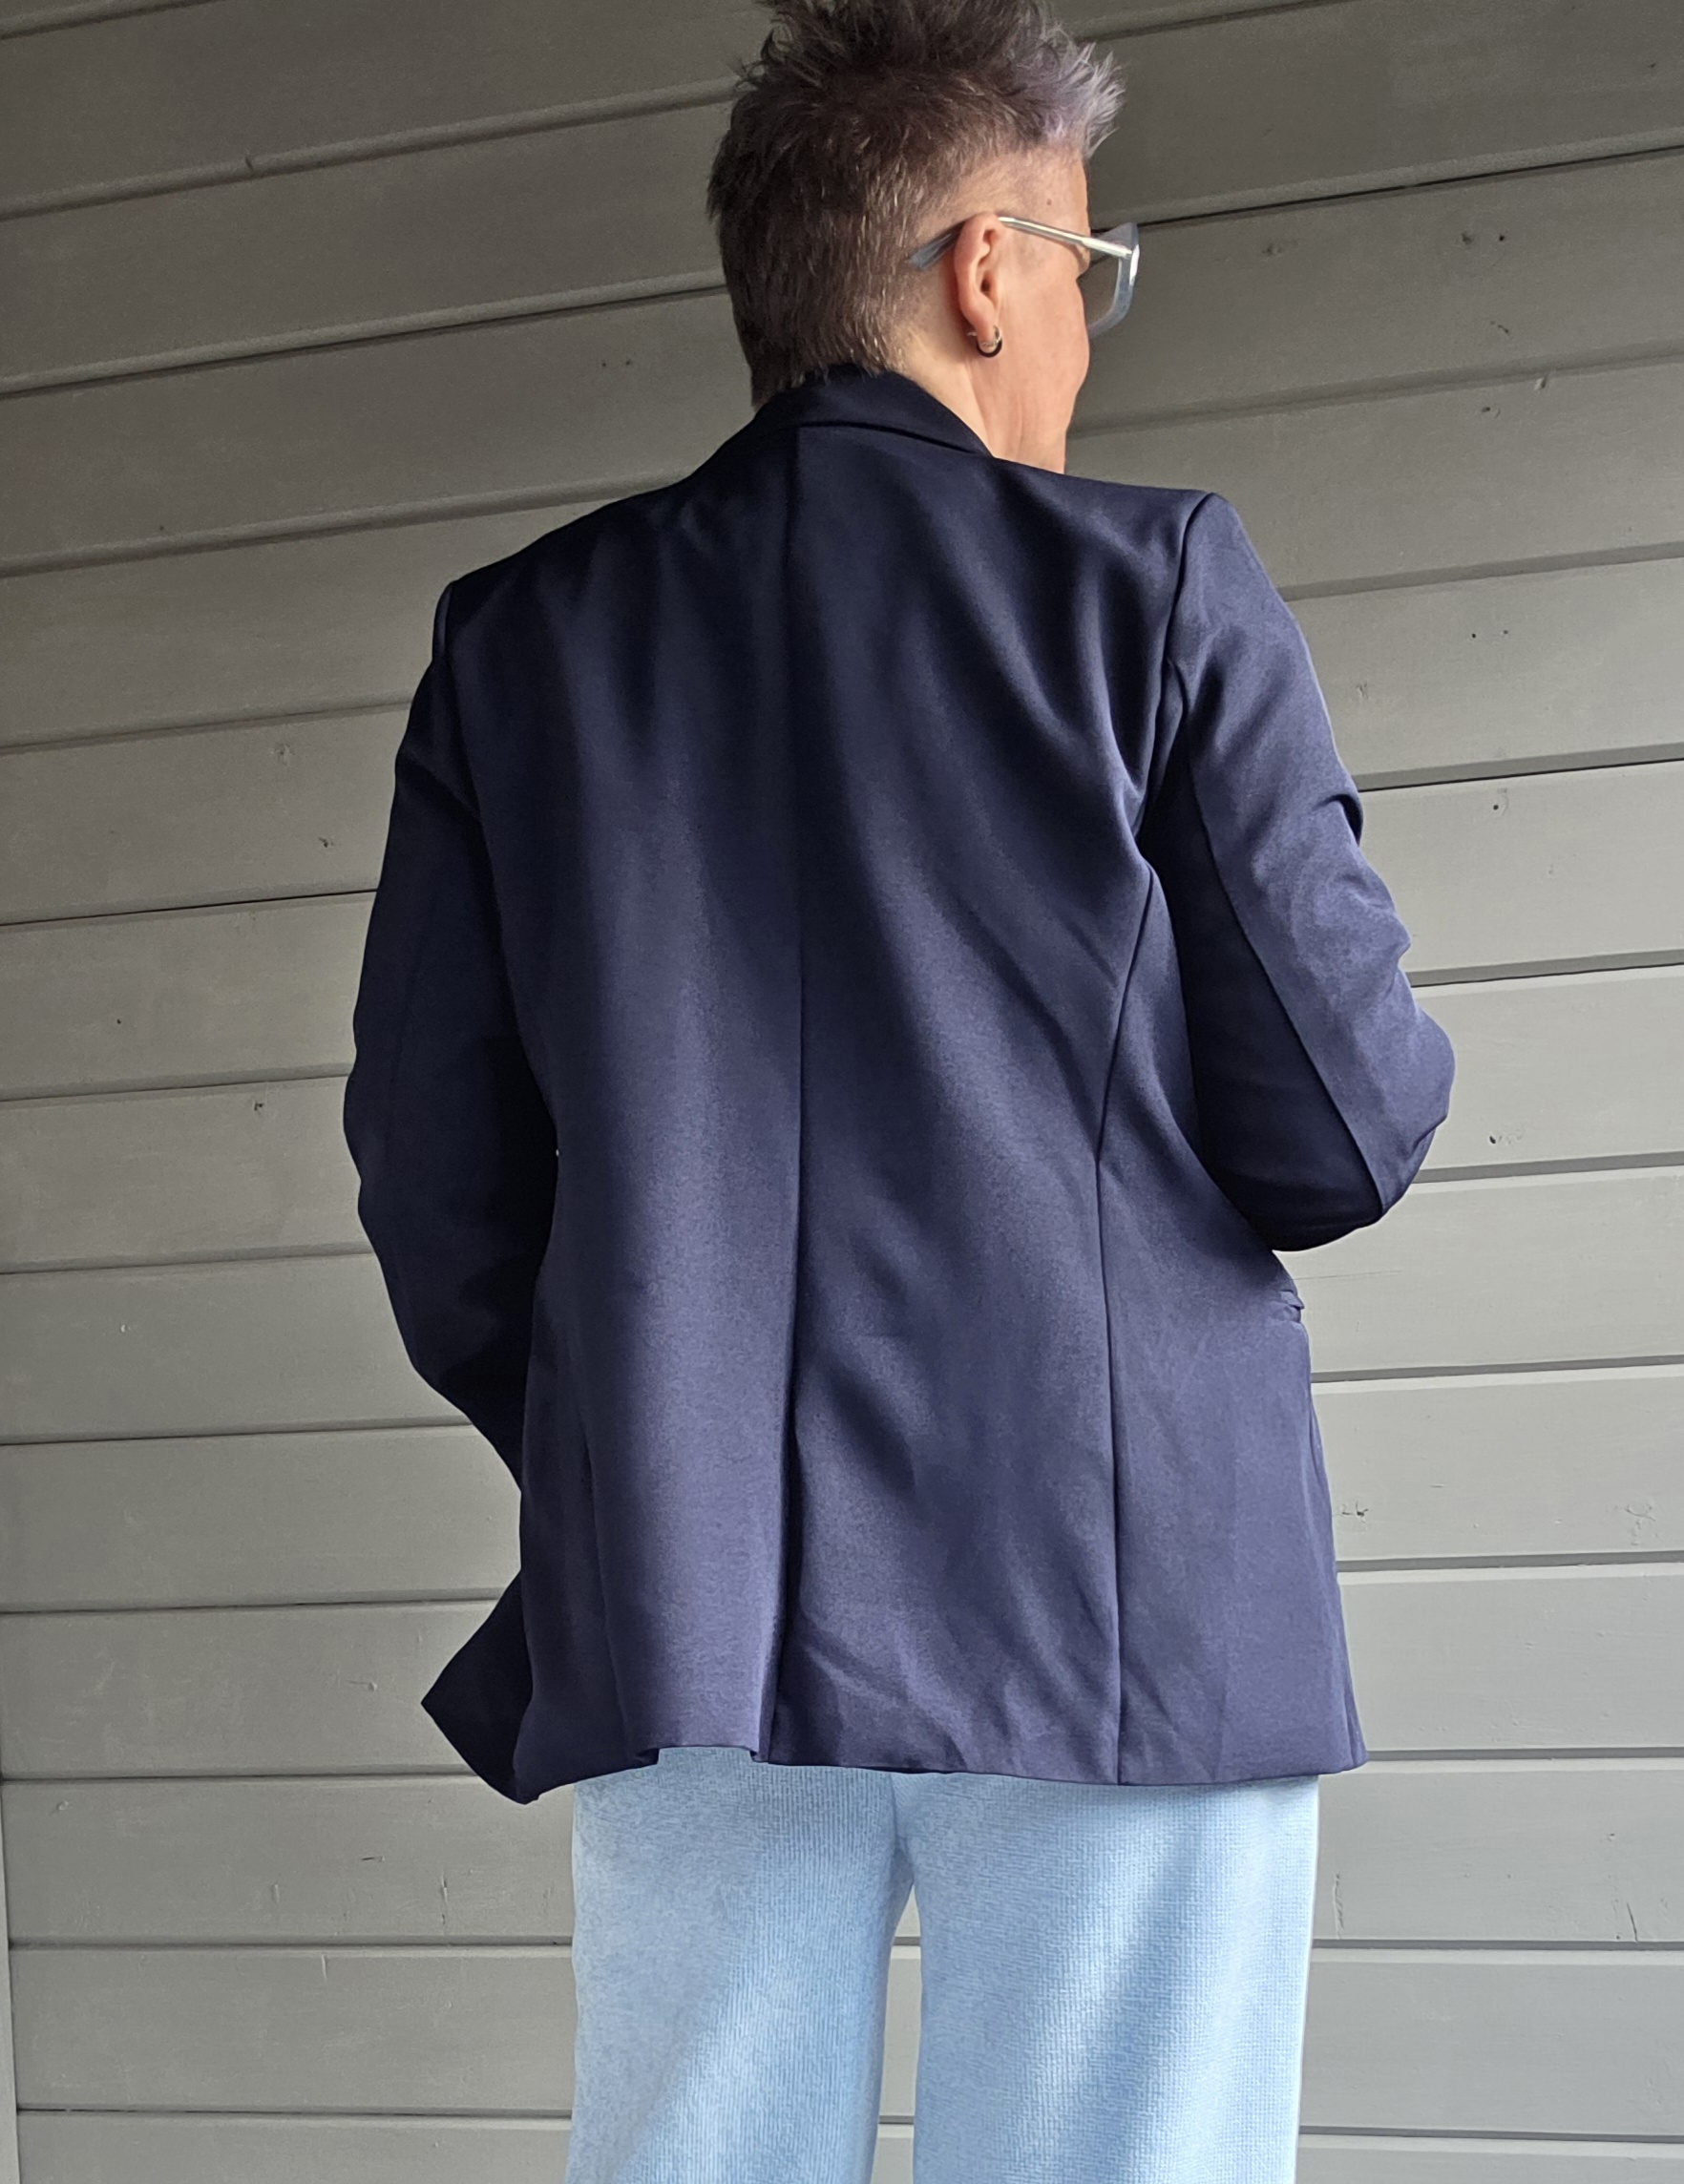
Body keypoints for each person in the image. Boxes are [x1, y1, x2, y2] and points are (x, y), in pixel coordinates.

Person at [342, 0, 1456, 2175]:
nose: (1090, 331)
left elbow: (440, 1189)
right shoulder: (1151, 588)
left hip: (689, 1589)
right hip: (1123, 1593)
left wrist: (643, 1420)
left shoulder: (521, 646)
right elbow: (1342, 1128)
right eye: (1092, 268)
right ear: (985, 270)